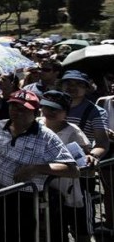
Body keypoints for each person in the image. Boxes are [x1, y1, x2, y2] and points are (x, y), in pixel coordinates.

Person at [0, 90, 79, 242]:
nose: (16, 112)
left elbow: (73, 170)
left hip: (24, 200)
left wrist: (36, 168)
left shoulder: (46, 136)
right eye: (13, 106)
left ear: (35, 111)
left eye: (23, 109)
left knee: (22, 236)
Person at [40, 90, 92, 242]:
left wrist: (90, 157)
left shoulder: (73, 131)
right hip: (45, 187)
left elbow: (85, 155)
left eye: (55, 109)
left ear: (66, 113)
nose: (50, 112)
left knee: (80, 228)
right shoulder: (36, 124)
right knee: (54, 229)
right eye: (47, 107)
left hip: (70, 188)